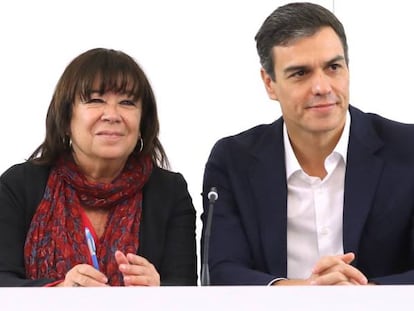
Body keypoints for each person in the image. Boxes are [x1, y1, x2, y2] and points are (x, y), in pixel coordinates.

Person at [201, 2, 414, 285]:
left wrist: (365, 296)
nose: (322, 87)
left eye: (333, 67)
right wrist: (306, 292)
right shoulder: (233, 159)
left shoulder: (407, 149)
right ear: (269, 83)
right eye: (300, 73)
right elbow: (220, 270)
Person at [0, 48, 197, 287]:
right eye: (95, 100)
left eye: (127, 102)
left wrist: (160, 292)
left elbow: (184, 288)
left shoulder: (170, 191)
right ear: (65, 118)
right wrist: (57, 291)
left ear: (143, 122)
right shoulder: (18, 185)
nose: (112, 115)